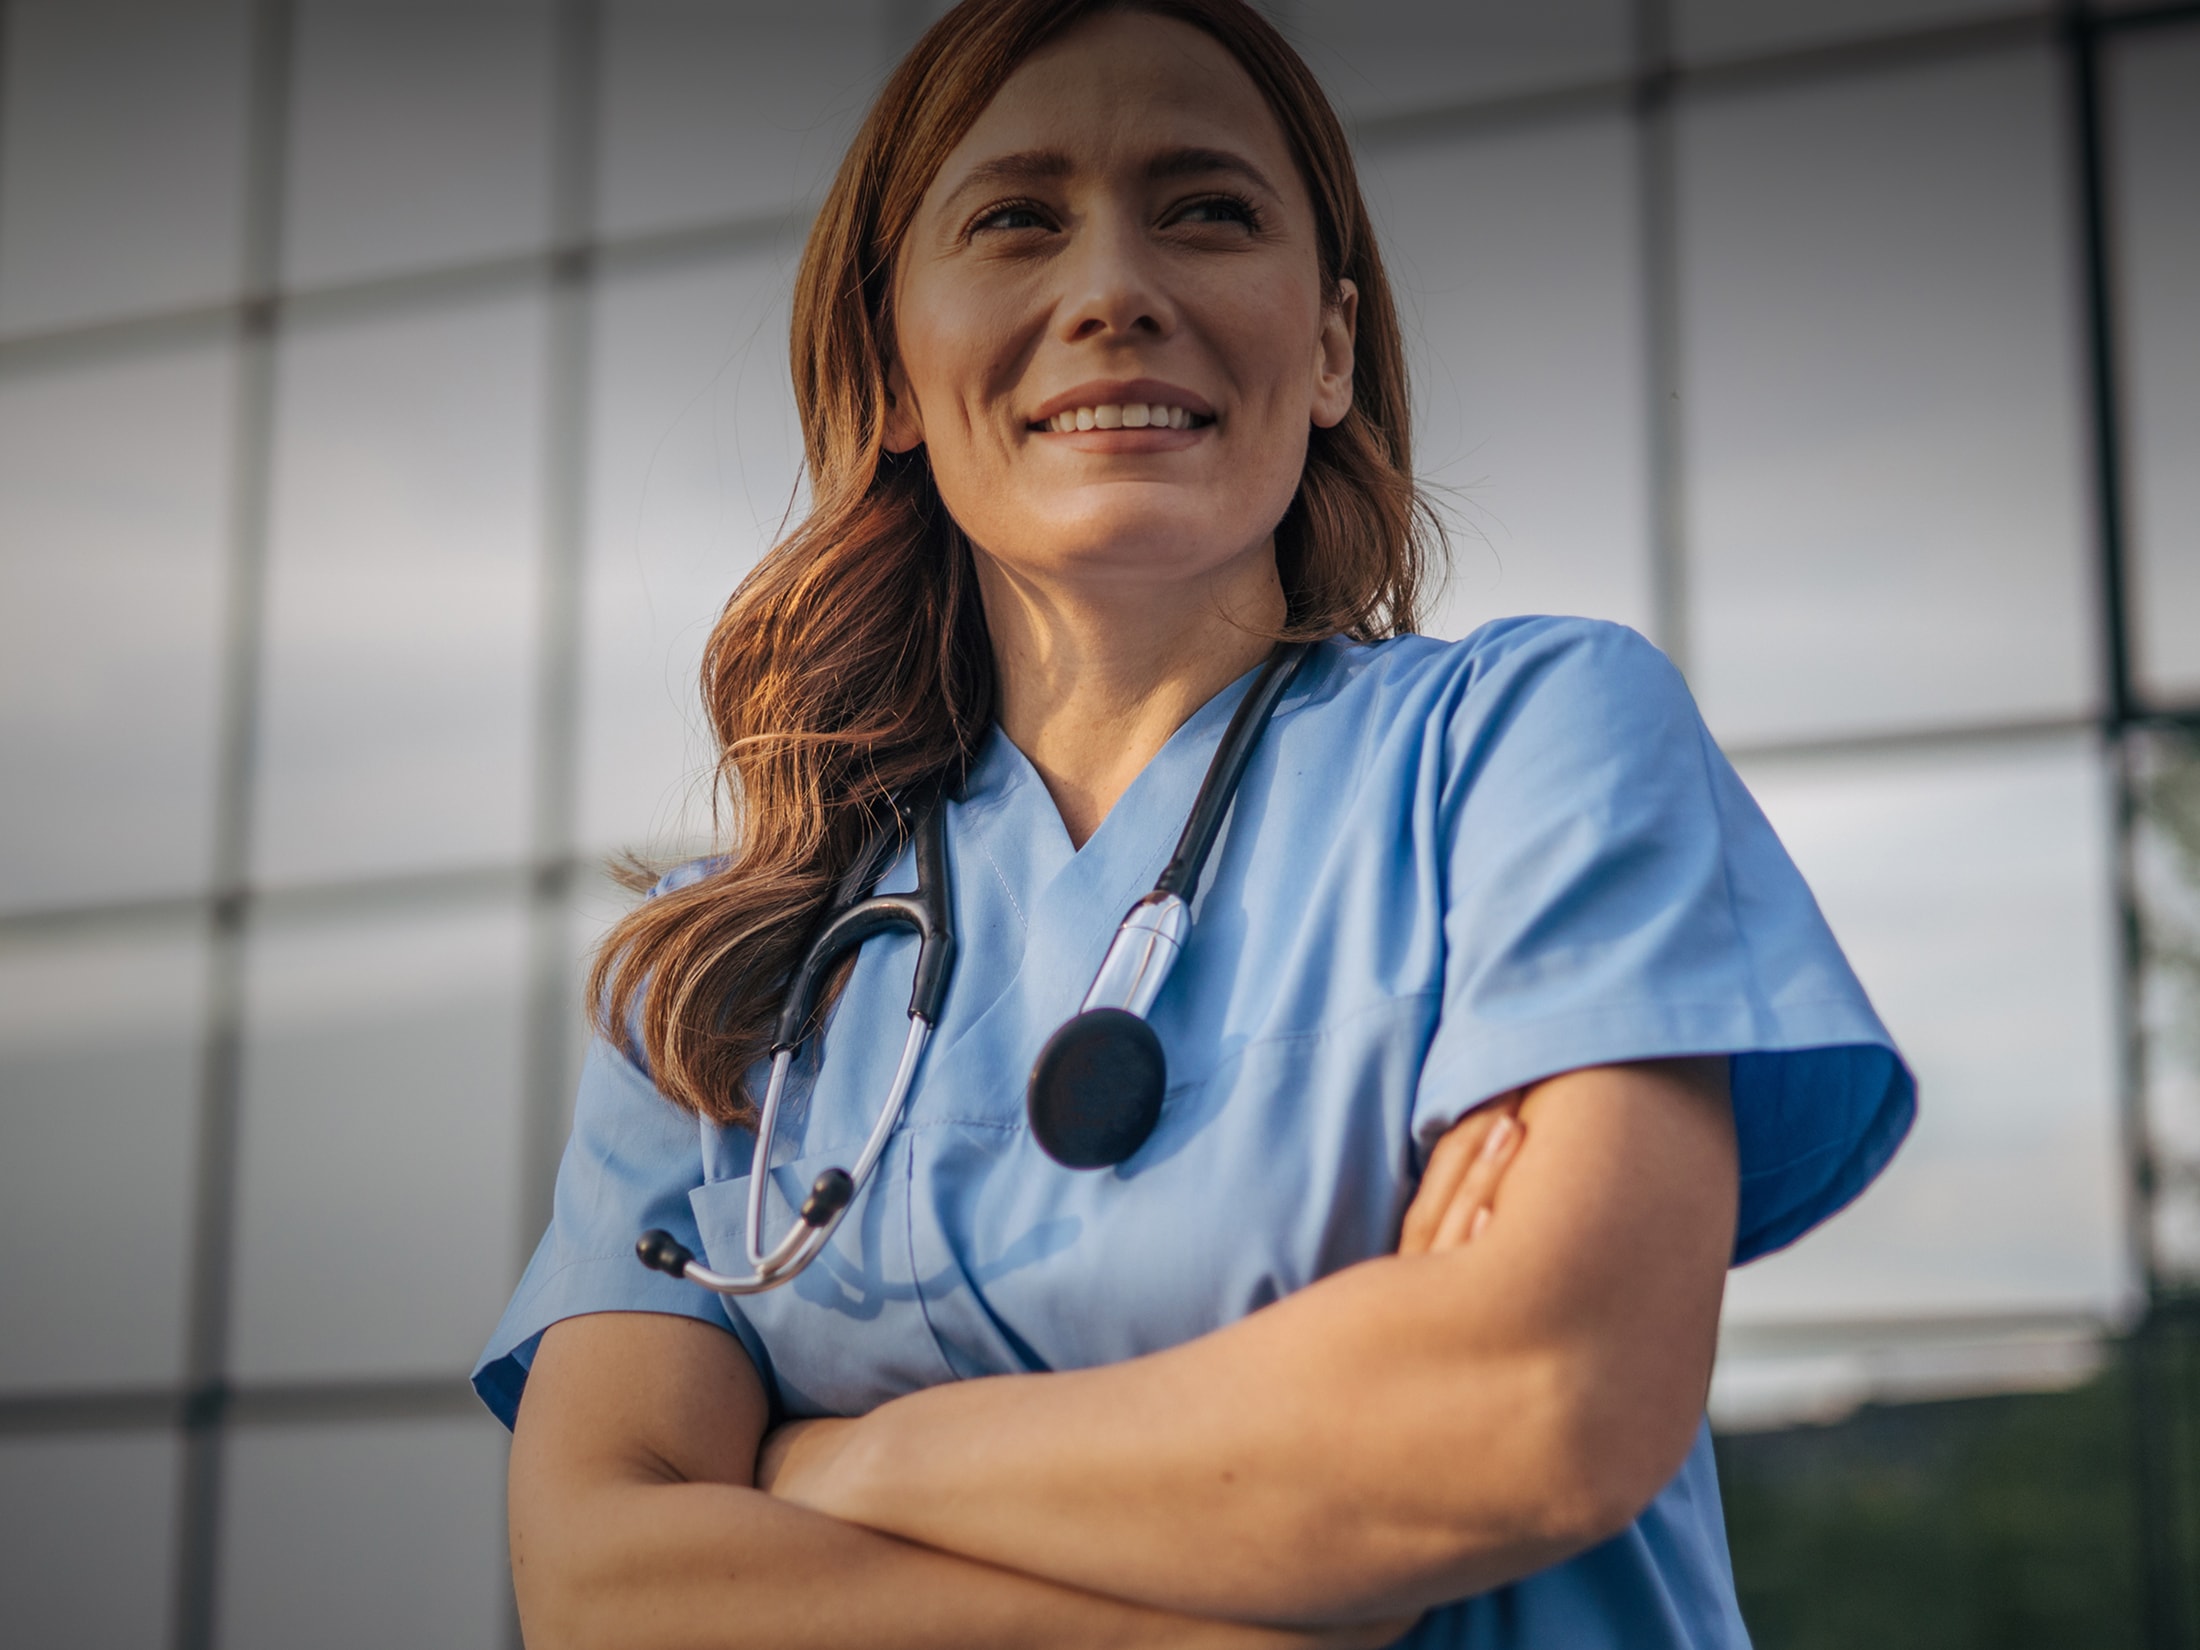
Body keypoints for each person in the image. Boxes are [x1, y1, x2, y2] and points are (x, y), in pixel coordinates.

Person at [474, 2, 1916, 1644]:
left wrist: (842, 1462)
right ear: (888, 369)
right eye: (1019, 220)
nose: (1115, 290)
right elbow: (600, 1580)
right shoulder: (729, 965)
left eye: (1208, 211)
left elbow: (1543, 1399)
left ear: (1330, 348)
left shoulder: (1532, 744)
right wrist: (1296, 1528)